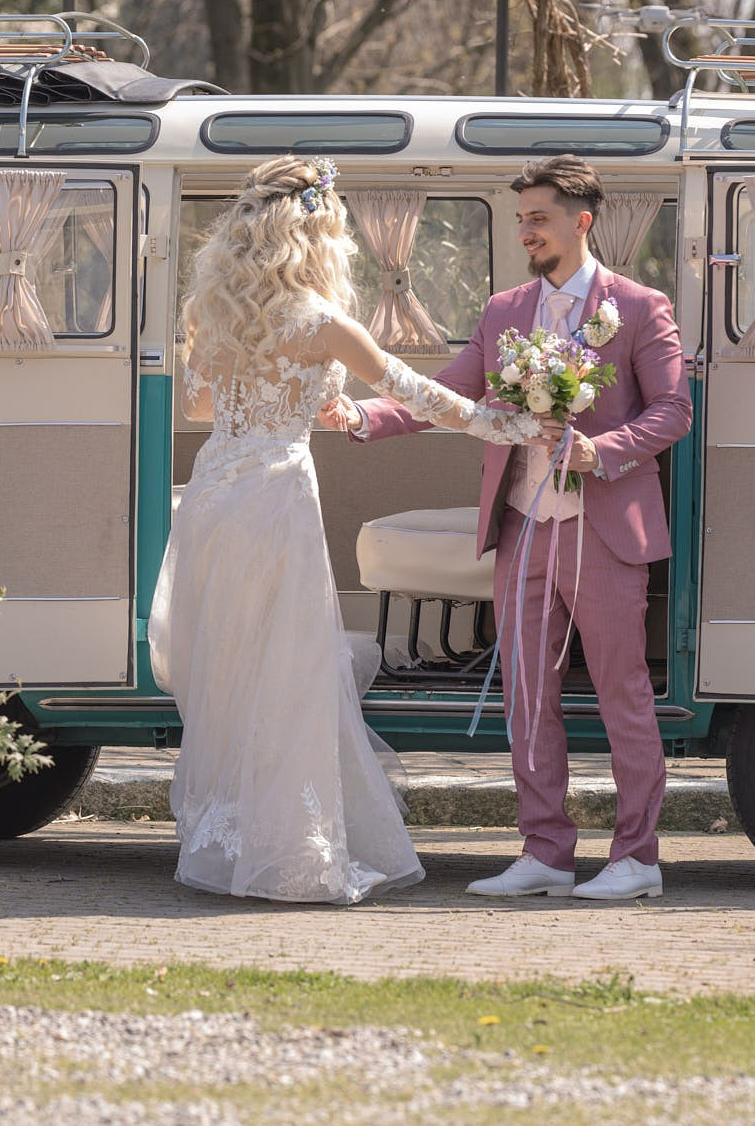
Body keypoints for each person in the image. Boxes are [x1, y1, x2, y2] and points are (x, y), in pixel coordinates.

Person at [151, 155, 540, 905]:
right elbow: (418, 393)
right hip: (275, 498)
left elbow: (200, 407)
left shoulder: (216, 311)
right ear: (317, 236)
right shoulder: (322, 323)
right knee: (286, 668)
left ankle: (225, 835)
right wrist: (509, 424)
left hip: (213, 493)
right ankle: (285, 850)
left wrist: (273, 397)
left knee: (228, 663)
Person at [323, 154, 692, 901]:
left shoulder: (640, 306)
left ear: (580, 220)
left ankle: (637, 857)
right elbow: (445, 395)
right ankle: (546, 851)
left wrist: (601, 449)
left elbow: (672, 411)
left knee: (622, 690)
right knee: (526, 693)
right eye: (521, 217)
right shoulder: (502, 312)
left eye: (538, 217)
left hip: (605, 528)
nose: (525, 229)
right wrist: (363, 417)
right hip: (523, 524)